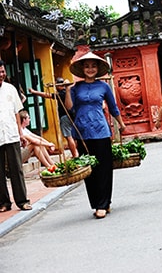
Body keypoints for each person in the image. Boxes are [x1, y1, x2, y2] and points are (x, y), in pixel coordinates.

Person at [65, 52, 126, 219]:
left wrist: (121, 124)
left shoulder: (104, 86)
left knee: (104, 168)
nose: (90, 69)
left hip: (100, 130)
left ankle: (104, 203)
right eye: (87, 66)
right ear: (82, 69)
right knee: (89, 170)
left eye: (93, 66)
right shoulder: (76, 88)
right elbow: (70, 109)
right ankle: (96, 202)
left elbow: (113, 107)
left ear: (98, 68)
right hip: (82, 132)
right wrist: (68, 91)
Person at [0, 60, 32, 212]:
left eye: (2, 71)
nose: (1, 74)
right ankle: (4, 202)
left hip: (11, 134)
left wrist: (21, 133)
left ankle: (22, 201)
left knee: (16, 169)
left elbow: (16, 113)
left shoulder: (10, 89)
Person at [29, 77, 78, 158]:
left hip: (65, 117)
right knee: (73, 137)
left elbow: (46, 95)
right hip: (73, 116)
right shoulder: (69, 92)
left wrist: (34, 92)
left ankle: (75, 155)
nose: (55, 87)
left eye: (56, 85)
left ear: (60, 86)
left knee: (69, 137)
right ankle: (76, 153)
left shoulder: (61, 94)